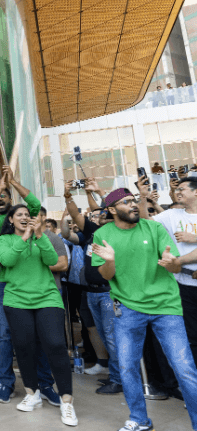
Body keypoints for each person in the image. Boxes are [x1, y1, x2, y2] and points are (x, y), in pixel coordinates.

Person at [92, 188, 197, 431]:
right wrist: (110, 260)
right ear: (111, 210)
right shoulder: (102, 235)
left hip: (165, 306)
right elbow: (107, 276)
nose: (133, 205)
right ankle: (139, 420)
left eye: (134, 201)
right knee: (128, 367)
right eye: (126, 202)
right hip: (127, 308)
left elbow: (171, 267)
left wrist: (173, 263)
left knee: (184, 368)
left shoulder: (155, 228)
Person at [0, 166, 59, 405]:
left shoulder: (31, 222)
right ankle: (5, 382)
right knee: (5, 335)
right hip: (5, 286)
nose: (25, 217)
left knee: (39, 336)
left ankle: (44, 384)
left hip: (36, 288)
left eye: (6, 196)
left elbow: (33, 203)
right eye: (0, 197)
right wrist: (1, 188)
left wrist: (13, 182)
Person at [0, 205, 78, 426]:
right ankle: (32, 393)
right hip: (16, 299)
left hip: (47, 297)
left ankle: (67, 401)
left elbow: (52, 260)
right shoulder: (5, 240)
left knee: (55, 345)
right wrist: (24, 238)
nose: (24, 217)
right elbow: (7, 260)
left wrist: (39, 235)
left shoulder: (42, 237)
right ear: (12, 220)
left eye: (27, 215)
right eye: (19, 215)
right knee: (23, 347)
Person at [63, 181, 122, 394]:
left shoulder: (118, 233)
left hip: (108, 293)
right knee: (105, 336)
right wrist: (68, 196)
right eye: (99, 216)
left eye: (105, 215)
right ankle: (114, 375)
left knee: (112, 336)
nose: (101, 218)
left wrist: (99, 192)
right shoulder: (92, 232)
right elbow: (76, 216)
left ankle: (120, 379)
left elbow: (114, 206)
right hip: (91, 293)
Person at [139, 176, 197, 366]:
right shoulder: (172, 215)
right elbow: (144, 221)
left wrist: (194, 237)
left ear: (196, 192)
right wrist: (142, 196)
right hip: (183, 284)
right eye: (177, 189)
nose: (178, 192)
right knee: (191, 336)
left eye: (183, 189)